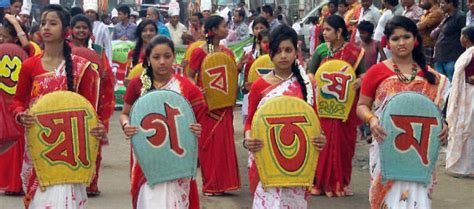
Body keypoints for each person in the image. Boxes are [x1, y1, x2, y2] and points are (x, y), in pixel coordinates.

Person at [10, 5, 106, 208]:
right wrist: (21, 114)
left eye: (52, 23)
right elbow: (18, 101)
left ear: (66, 31)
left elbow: (90, 111)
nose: (46, 27)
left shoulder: (81, 67)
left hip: (71, 149)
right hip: (40, 143)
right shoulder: (30, 65)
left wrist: (98, 128)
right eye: (43, 23)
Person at [357, 16, 449, 209]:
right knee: (385, 198)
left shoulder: (430, 75)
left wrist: (444, 125)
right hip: (386, 144)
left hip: (419, 152)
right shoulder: (376, 72)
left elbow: (436, 113)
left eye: (406, 37)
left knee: (416, 197)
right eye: (395, 38)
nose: (401, 43)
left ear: (415, 39)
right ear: (387, 42)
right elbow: (362, 106)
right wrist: (372, 120)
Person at [243, 24, 326, 208]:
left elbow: (315, 123)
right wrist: (248, 139)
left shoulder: (306, 84)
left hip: (297, 162)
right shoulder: (259, 86)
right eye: (278, 50)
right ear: (269, 52)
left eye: (288, 50)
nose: (283, 55)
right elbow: (250, 123)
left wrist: (321, 139)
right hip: (267, 158)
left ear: (296, 51)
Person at [120, 35, 202, 209]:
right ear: (148, 59)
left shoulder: (186, 87)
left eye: (167, 56)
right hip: (146, 156)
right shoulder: (137, 84)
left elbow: (199, 119)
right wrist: (126, 126)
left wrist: (197, 129)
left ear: (174, 57)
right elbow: (124, 114)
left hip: (178, 158)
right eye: (156, 57)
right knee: (149, 199)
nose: (162, 62)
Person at [307, 15, 366, 197]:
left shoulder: (355, 52)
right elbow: (310, 71)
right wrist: (313, 80)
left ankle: (340, 183)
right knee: (320, 141)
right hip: (324, 104)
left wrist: (359, 81)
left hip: (345, 106)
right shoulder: (321, 50)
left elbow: (363, 75)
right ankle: (318, 183)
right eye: (323, 29)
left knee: (344, 145)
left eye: (327, 30)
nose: (324, 33)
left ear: (339, 32)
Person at [188, 15, 241, 196]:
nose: (227, 29)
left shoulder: (227, 52)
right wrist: (197, 90)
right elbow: (189, 77)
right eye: (224, 26)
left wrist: (241, 65)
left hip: (224, 105)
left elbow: (231, 75)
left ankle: (225, 183)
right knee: (209, 145)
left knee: (224, 144)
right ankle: (211, 184)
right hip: (207, 106)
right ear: (215, 30)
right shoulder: (201, 52)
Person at [70, 14, 116, 196]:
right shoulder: (65, 50)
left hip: (94, 101)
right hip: (71, 100)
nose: (81, 31)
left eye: (84, 28)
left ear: (90, 31)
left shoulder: (98, 50)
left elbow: (106, 76)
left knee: (92, 142)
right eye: (77, 27)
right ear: (71, 30)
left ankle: (90, 183)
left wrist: (103, 77)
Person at [446, 26, 474, 178]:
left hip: (470, 95)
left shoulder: (472, 53)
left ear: (467, 38)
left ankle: (467, 167)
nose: (460, 38)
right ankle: (462, 166)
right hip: (465, 94)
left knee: (469, 129)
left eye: (462, 35)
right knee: (464, 129)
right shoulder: (467, 53)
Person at [240, 18, 270, 126]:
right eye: (256, 28)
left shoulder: (279, 60)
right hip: (252, 101)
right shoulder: (249, 55)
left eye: (261, 28)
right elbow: (244, 87)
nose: (258, 30)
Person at [433, 0, 466, 81]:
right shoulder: (446, 17)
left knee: (452, 81)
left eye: (443, 3)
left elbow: (464, 36)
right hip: (440, 56)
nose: (441, 5)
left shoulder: (460, 16)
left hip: (452, 56)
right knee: (440, 82)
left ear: (451, 3)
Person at [124, 20, 158, 86]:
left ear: (156, 33)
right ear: (140, 34)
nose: (148, 33)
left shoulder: (161, 53)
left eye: (151, 30)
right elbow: (127, 78)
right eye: (144, 31)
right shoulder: (132, 53)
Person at [84, 1, 113, 66]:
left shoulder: (103, 27)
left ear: (96, 14)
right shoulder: (81, 27)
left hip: (98, 60)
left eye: (92, 12)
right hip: (84, 60)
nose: (89, 14)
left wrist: (109, 64)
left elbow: (108, 46)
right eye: (87, 12)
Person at [418, 0, 443, 66]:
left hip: (430, 45)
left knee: (428, 70)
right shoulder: (428, 12)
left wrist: (415, 25)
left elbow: (421, 26)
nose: (421, 2)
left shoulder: (436, 12)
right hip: (425, 44)